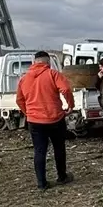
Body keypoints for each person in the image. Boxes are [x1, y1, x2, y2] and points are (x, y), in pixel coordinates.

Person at [16, 51, 75, 190]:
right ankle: (62, 177)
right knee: (59, 148)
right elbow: (66, 89)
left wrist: (28, 113)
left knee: (39, 151)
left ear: (34, 62)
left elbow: (19, 100)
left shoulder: (24, 79)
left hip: (35, 121)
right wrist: (70, 105)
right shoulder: (53, 74)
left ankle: (42, 183)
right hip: (55, 118)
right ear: (48, 62)